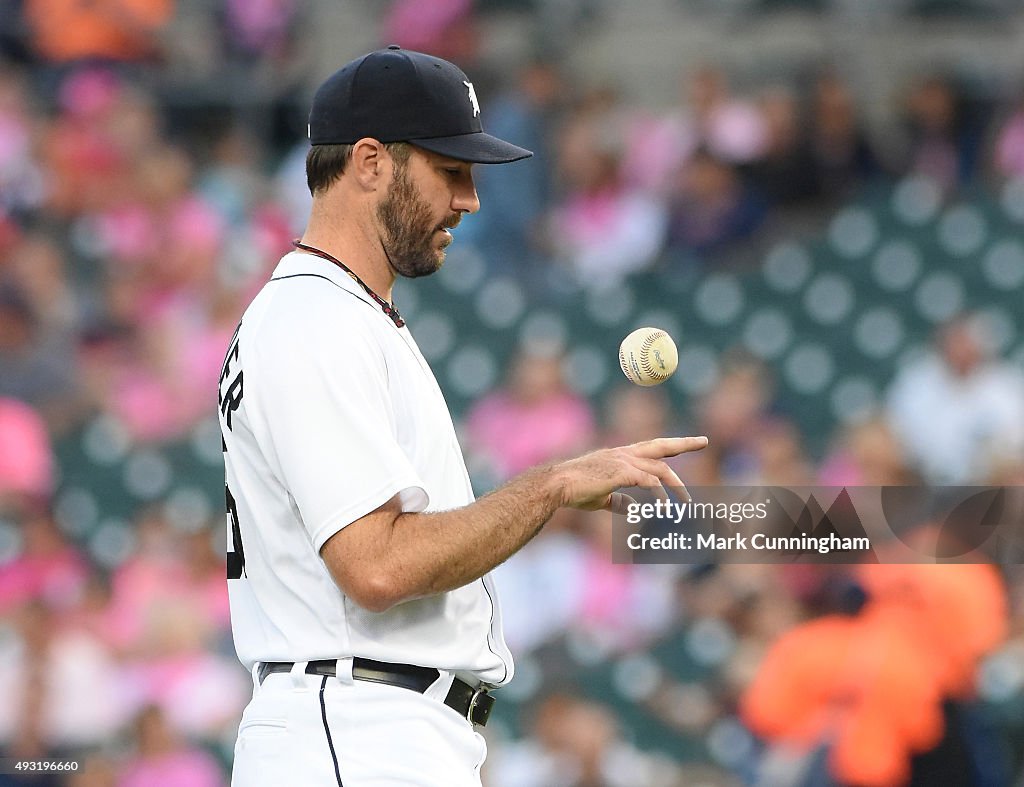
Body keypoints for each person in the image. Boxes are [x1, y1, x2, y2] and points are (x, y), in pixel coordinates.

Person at [217, 45, 708, 786]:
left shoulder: (342, 313)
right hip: (355, 725)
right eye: (451, 170)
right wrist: (549, 486)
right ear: (372, 162)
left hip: (375, 722)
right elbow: (376, 566)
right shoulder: (315, 319)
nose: (471, 198)